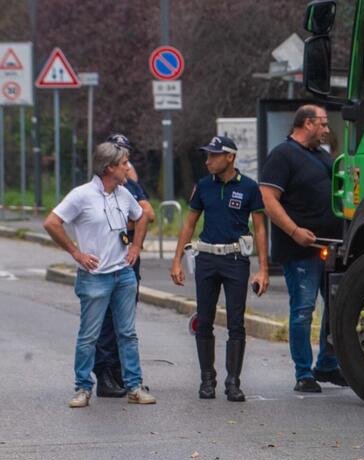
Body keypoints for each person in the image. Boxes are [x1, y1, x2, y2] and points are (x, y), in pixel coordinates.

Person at [43, 142, 156, 407]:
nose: (128, 168)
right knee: (89, 336)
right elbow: (51, 222)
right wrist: (76, 252)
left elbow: (142, 217)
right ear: (109, 167)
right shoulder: (81, 195)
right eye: (124, 163)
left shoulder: (123, 193)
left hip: (123, 275)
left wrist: (137, 247)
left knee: (127, 333)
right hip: (94, 278)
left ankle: (134, 387)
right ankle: (82, 388)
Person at [170, 136, 269, 402]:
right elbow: (189, 224)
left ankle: (233, 381)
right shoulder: (203, 186)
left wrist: (263, 269)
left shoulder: (248, 187)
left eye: (213, 155)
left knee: (236, 322)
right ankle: (207, 379)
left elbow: (260, 228)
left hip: (236, 260)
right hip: (207, 259)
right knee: (204, 319)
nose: (208, 160)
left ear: (230, 157)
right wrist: (177, 260)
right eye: (207, 155)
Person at [260, 104, 346, 392]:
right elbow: (268, 199)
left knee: (335, 307)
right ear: (307, 124)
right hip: (300, 249)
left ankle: (327, 364)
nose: (326, 129)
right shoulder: (283, 155)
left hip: (329, 246)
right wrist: (295, 231)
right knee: (303, 309)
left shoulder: (321, 156)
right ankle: (303, 372)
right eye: (322, 124)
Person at [93, 134, 155, 398]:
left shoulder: (128, 183)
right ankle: (105, 374)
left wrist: (134, 240)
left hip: (127, 257)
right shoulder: (101, 187)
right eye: (121, 156)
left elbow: (147, 214)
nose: (126, 163)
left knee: (124, 320)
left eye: (127, 155)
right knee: (106, 320)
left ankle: (119, 372)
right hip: (107, 260)